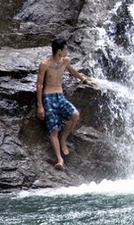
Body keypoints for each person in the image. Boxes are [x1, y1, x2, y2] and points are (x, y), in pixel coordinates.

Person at [36, 37, 95, 170]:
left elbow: (73, 71)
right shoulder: (45, 64)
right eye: (66, 48)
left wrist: (85, 81)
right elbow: (39, 85)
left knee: (75, 115)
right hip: (48, 97)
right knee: (54, 129)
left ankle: (63, 139)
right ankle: (59, 159)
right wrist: (40, 105)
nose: (67, 50)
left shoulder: (65, 61)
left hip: (60, 96)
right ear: (59, 51)